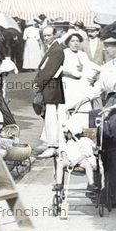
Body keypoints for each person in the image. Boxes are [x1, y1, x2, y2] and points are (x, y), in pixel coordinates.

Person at [67, 26, 116, 207]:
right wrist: (80, 101)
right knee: (103, 148)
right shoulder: (107, 66)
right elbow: (98, 88)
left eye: (109, 46)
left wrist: (113, 108)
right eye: (105, 45)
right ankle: (103, 190)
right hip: (109, 107)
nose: (105, 49)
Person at [34, 25, 66, 158]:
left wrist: (38, 84)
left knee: (51, 117)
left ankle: (53, 145)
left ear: (55, 35)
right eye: (45, 35)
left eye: (49, 35)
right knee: (49, 116)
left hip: (51, 87)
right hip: (48, 86)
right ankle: (49, 142)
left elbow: (48, 71)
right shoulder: (52, 48)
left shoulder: (56, 50)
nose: (46, 38)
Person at [60, 30, 97, 129]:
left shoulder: (82, 54)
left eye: (77, 41)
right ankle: (67, 130)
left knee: (82, 108)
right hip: (69, 84)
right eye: (72, 41)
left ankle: (81, 130)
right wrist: (70, 73)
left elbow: (90, 66)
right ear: (68, 42)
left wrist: (94, 75)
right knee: (69, 107)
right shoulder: (64, 53)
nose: (75, 43)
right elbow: (59, 68)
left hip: (82, 85)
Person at [62, 117, 96, 192]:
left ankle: (91, 183)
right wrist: (65, 158)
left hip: (81, 161)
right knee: (60, 163)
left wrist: (76, 161)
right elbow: (63, 150)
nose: (65, 134)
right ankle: (59, 184)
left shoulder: (84, 141)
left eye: (67, 132)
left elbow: (87, 153)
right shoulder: (68, 142)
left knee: (87, 164)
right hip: (70, 161)